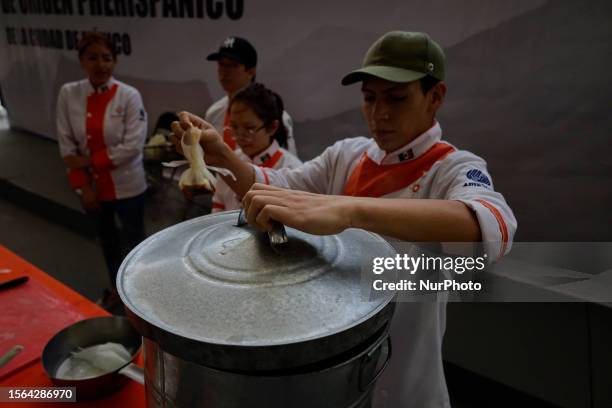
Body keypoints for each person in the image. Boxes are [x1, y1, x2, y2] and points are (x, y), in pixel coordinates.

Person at [172, 31, 517, 407]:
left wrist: (348, 210)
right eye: (370, 98)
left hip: (407, 384)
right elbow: (278, 184)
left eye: (397, 98)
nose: (379, 113)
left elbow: (491, 225)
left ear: (435, 97)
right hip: (336, 375)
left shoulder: (452, 167)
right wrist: (223, 155)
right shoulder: (347, 156)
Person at [56, 32, 148, 309]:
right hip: (92, 190)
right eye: (92, 57)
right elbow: (66, 147)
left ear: (115, 61)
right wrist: (83, 187)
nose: (100, 64)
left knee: (135, 244)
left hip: (129, 187)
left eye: (107, 58)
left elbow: (132, 146)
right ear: (82, 60)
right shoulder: (68, 93)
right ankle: (117, 293)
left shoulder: (129, 96)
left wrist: (88, 161)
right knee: (107, 244)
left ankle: (142, 297)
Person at [211, 83, 301, 212]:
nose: (240, 137)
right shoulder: (230, 161)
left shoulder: (292, 170)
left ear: (272, 127)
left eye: (249, 128)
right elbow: (218, 206)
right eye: (234, 127)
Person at [204, 36, 298, 155]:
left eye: (233, 65)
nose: (225, 71)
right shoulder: (214, 113)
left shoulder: (274, 114)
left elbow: (287, 164)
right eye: (221, 64)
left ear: (251, 72)